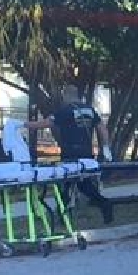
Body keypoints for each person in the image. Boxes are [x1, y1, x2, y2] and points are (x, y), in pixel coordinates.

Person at [24, 86, 114, 224]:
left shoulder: (65, 110)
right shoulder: (90, 110)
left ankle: (65, 214)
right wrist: (106, 147)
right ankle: (100, 205)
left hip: (71, 153)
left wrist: (23, 124)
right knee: (82, 183)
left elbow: (45, 123)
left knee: (66, 182)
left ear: (66, 95)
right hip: (86, 153)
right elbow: (102, 128)